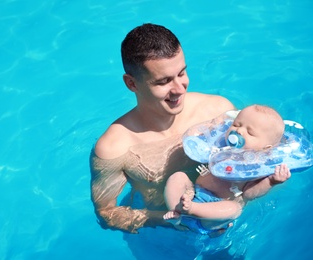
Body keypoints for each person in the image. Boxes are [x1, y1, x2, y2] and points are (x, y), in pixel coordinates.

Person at [90, 23, 236, 233]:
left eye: (182, 73)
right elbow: (107, 214)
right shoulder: (114, 148)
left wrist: (226, 210)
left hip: (227, 224)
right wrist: (180, 221)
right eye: (164, 81)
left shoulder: (217, 112)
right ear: (132, 84)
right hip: (167, 238)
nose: (179, 89)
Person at [163, 105, 291, 235]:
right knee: (178, 177)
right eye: (236, 124)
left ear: (265, 148)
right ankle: (176, 211)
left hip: (215, 212)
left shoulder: (258, 168)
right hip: (194, 193)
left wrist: (270, 182)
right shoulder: (220, 146)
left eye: (250, 132)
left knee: (234, 209)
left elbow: (249, 194)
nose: (239, 131)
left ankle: (191, 210)